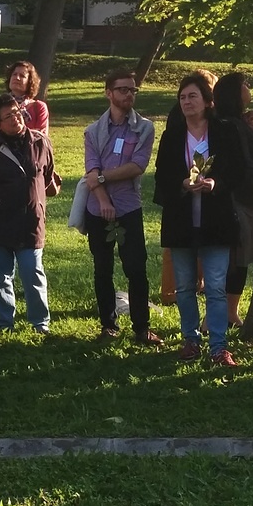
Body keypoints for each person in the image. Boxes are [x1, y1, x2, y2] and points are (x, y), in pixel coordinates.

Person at [154, 69, 249, 366]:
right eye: (182, 97)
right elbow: (161, 178)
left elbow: (239, 172)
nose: (186, 102)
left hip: (216, 220)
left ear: (208, 101)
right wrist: (182, 184)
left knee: (216, 286)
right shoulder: (172, 136)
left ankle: (218, 346)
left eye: (192, 96)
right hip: (181, 221)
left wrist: (215, 183)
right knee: (184, 287)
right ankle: (190, 341)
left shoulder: (225, 132)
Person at [79, 67, 161, 346]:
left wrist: (102, 177)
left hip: (128, 207)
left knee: (136, 268)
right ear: (109, 93)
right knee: (102, 269)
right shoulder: (93, 131)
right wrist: (103, 200)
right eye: (123, 89)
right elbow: (91, 170)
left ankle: (142, 328)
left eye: (132, 90)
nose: (129, 94)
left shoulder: (144, 127)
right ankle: (108, 325)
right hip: (97, 209)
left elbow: (137, 166)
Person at [0, 93, 61, 333]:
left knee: (33, 274)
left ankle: (40, 323)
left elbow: (47, 176)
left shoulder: (41, 142)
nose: (15, 118)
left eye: (17, 113)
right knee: (0, 278)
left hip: (31, 221)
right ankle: (5, 323)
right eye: (8, 116)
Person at [212, 73, 253, 330]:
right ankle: (220, 314)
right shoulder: (227, 125)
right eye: (245, 85)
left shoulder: (241, 122)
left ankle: (231, 312)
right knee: (233, 257)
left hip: (248, 200)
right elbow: (240, 162)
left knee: (243, 256)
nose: (249, 88)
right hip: (235, 199)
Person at [0, 59, 49, 135]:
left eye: (22, 76)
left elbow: (41, 136)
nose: (17, 78)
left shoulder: (39, 107)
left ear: (30, 82)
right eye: (14, 74)